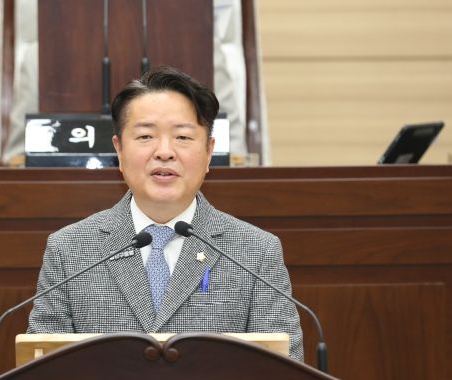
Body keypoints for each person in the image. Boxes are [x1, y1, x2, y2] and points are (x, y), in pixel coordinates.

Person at [27, 66, 303, 361]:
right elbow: (42, 370)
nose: (164, 152)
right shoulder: (69, 249)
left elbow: (285, 371)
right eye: (146, 136)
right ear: (119, 150)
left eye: (182, 137)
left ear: (209, 152)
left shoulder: (256, 252)